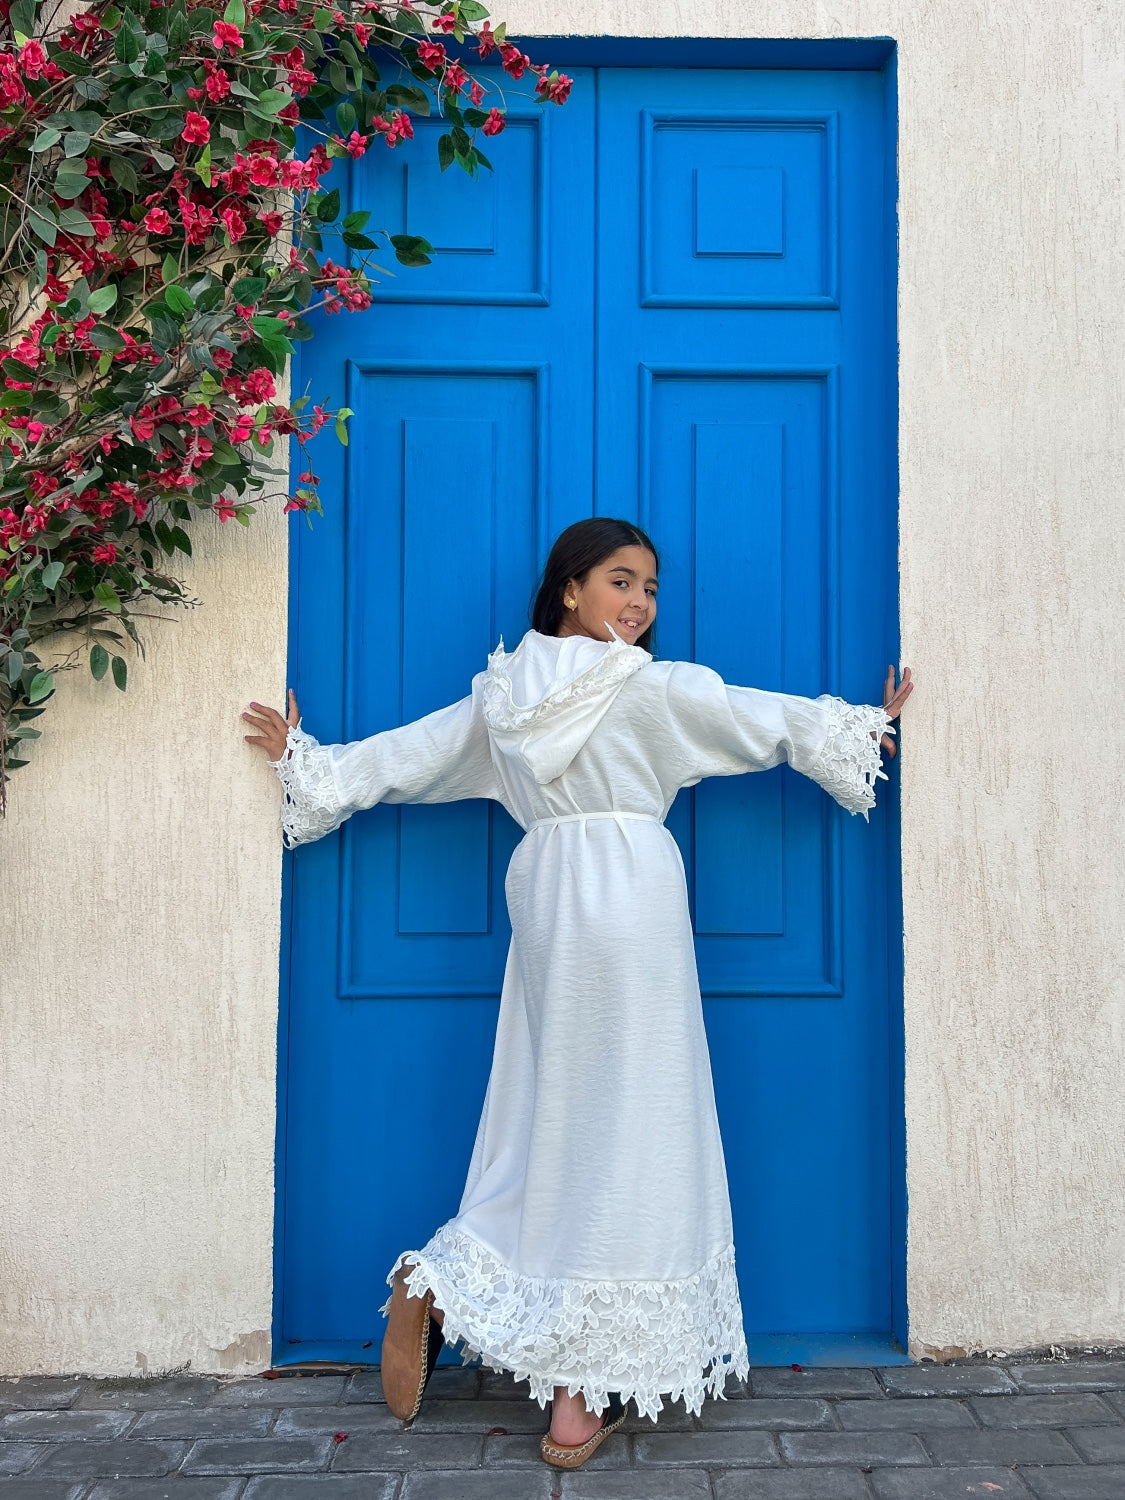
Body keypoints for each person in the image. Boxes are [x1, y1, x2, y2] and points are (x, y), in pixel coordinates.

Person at [243, 516, 913, 1470]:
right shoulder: (649, 689)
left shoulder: (502, 694)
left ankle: (453, 1278)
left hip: (549, 901)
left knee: (548, 1116)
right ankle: (574, 1391)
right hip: (632, 900)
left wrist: (307, 760)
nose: (638, 604)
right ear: (569, 588)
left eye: (648, 588)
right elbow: (758, 719)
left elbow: (407, 759)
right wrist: (864, 727)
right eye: (619, 582)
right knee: (632, 1127)